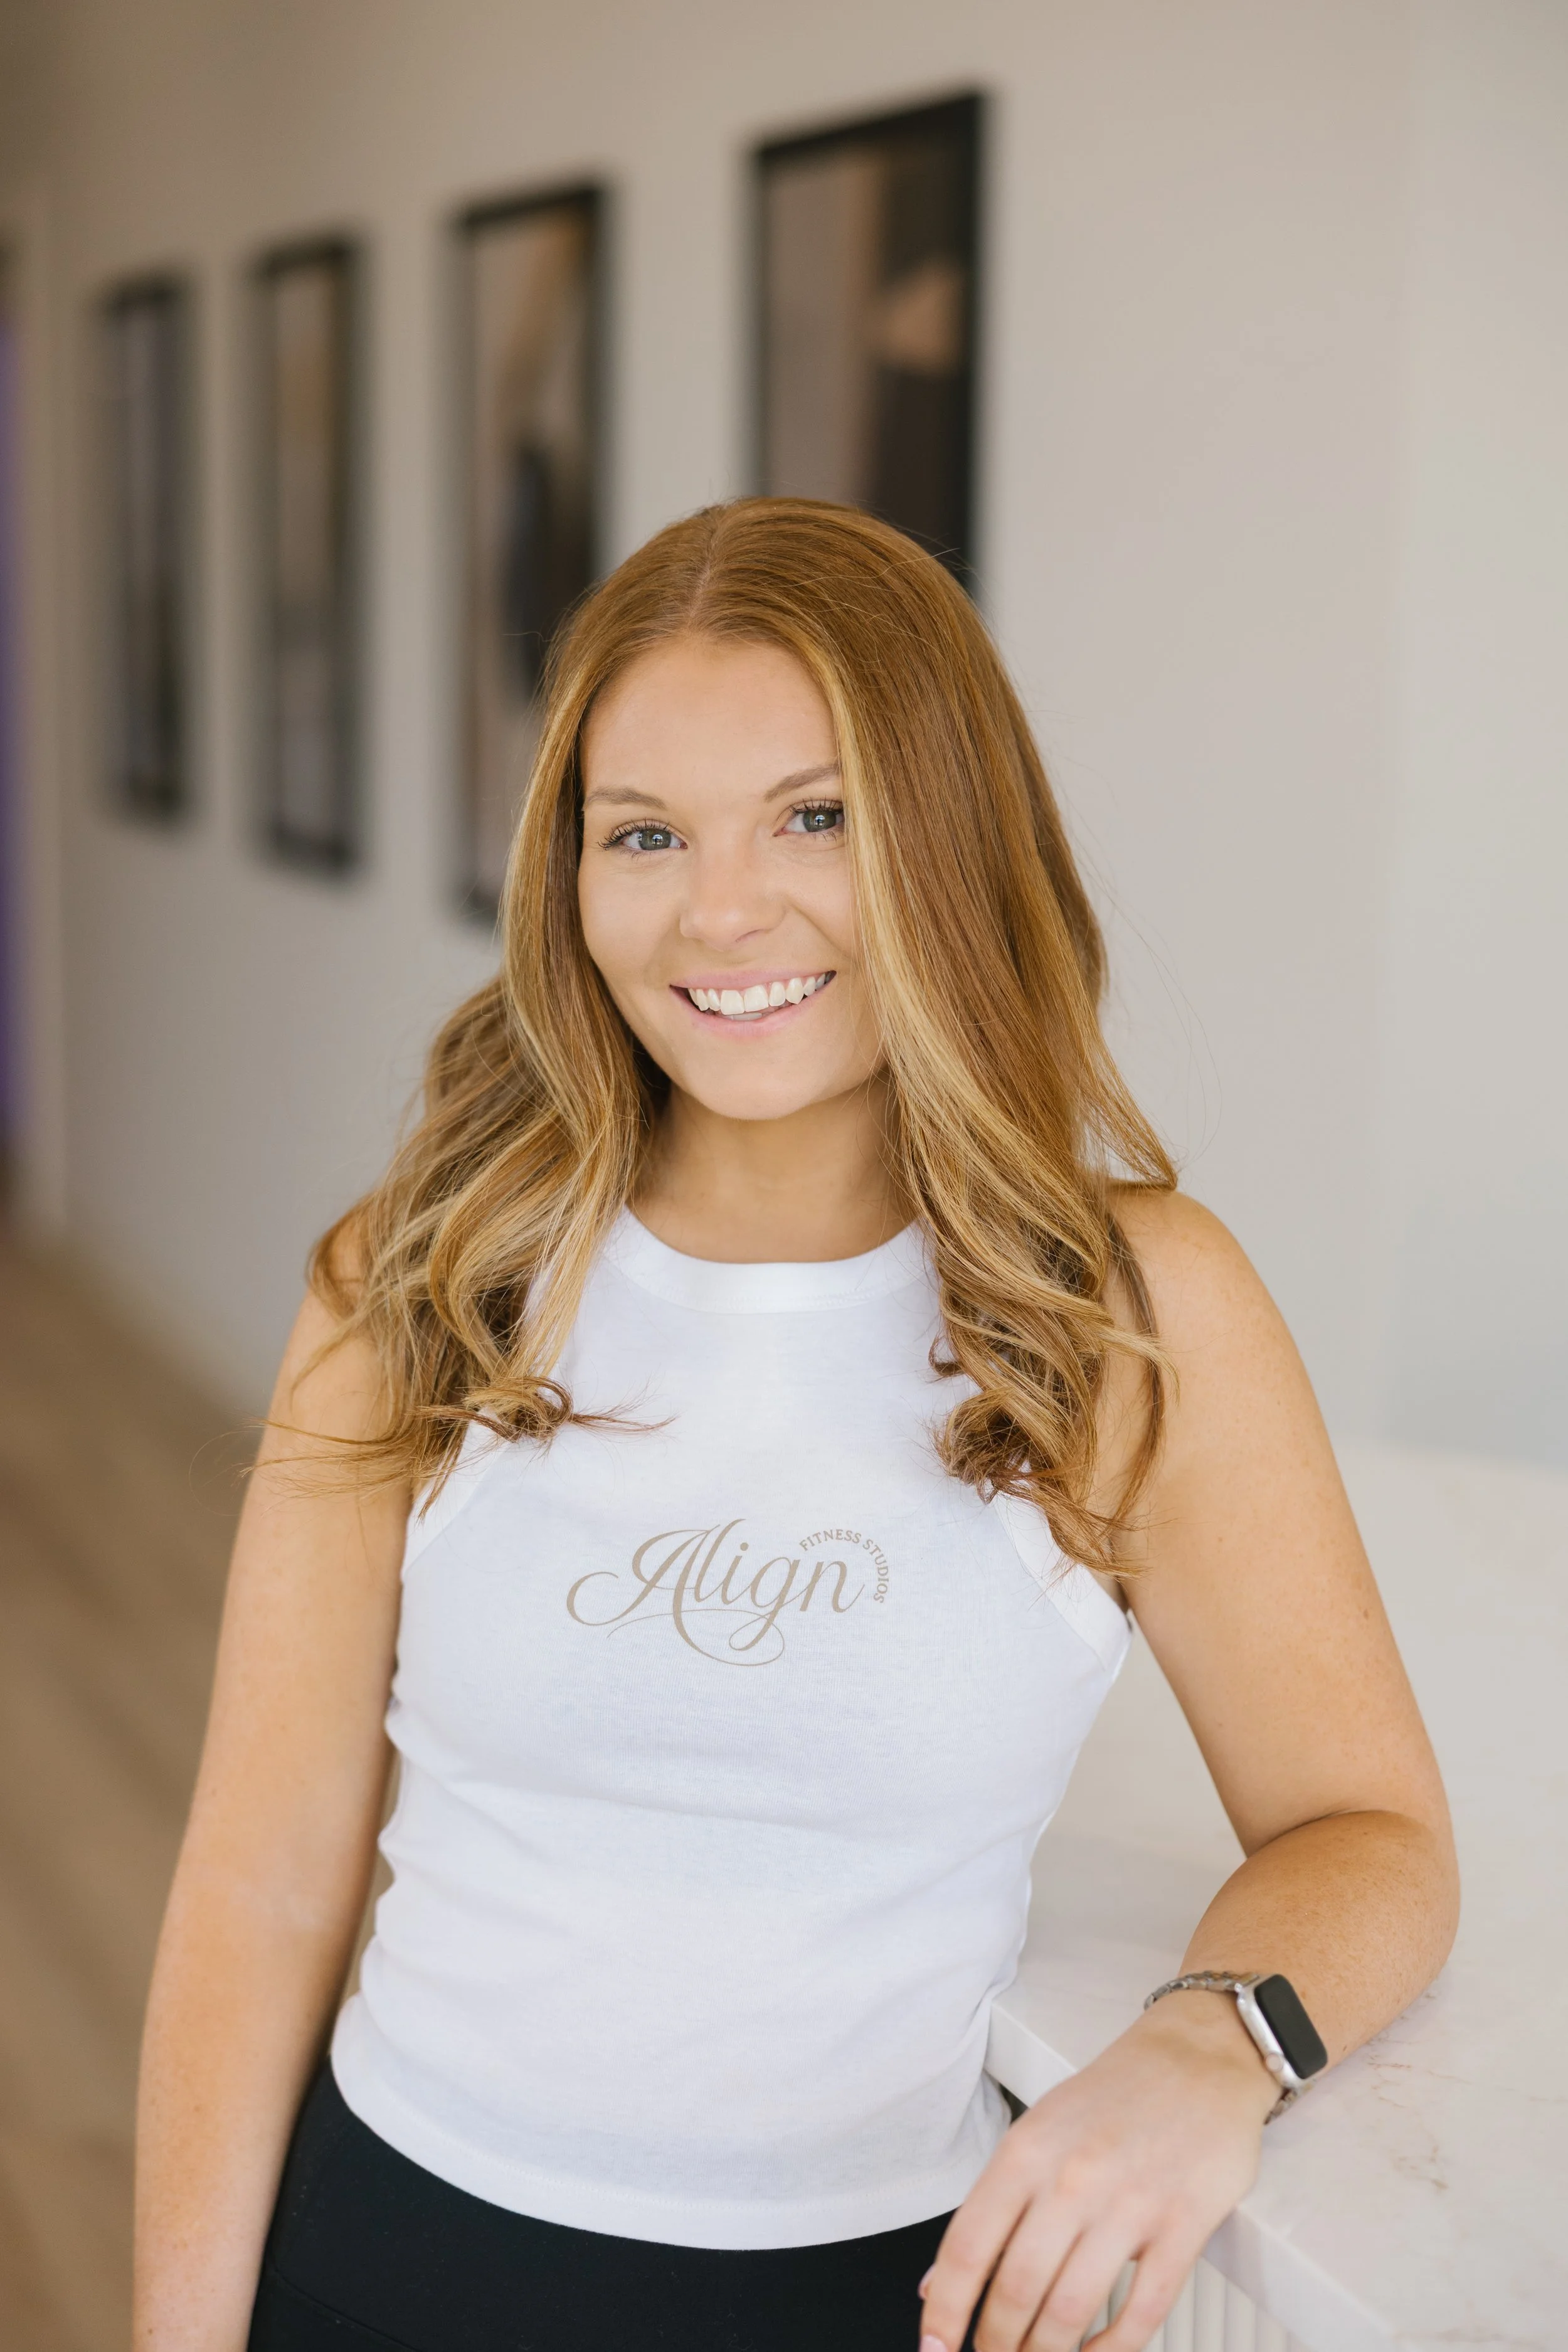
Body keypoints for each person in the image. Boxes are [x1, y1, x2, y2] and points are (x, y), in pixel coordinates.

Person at [133, 499, 1458, 2352]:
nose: (722, 908)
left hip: (880, 2294)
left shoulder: (1126, 1310)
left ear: (943, 832)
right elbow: (260, 1877)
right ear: (568, 878)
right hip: (388, 2258)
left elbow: (1372, 1828)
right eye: (645, 833)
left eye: (813, 815)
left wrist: (1209, 2042)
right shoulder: (420, 1277)